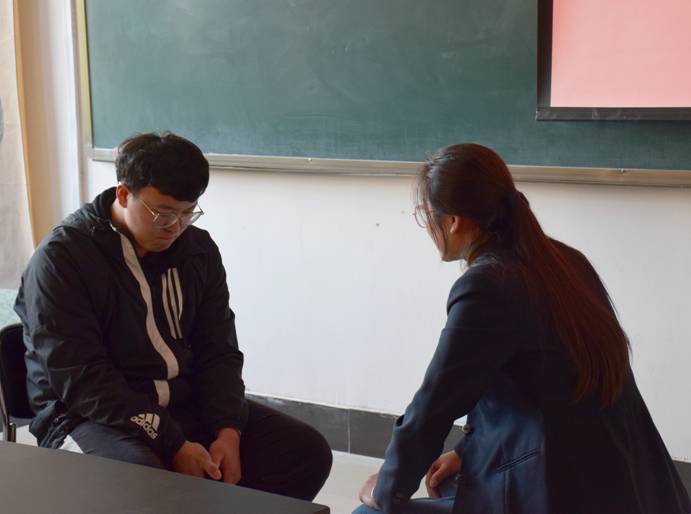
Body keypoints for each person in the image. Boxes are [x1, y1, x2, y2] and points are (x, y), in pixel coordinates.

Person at [354, 144, 690, 514]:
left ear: (454, 221)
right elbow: (546, 388)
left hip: (562, 494)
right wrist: (465, 452)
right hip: (627, 487)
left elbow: (434, 405)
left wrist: (385, 490)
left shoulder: (488, 285)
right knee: (453, 478)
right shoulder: (564, 261)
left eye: (425, 215)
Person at [15, 132, 332, 500]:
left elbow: (219, 350)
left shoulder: (197, 251)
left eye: (187, 213)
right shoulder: (62, 260)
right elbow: (84, 382)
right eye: (163, 213)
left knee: (304, 452)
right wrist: (174, 443)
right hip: (87, 416)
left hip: (181, 404)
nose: (175, 227)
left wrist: (228, 430)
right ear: (123, 195)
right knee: (145, 484)